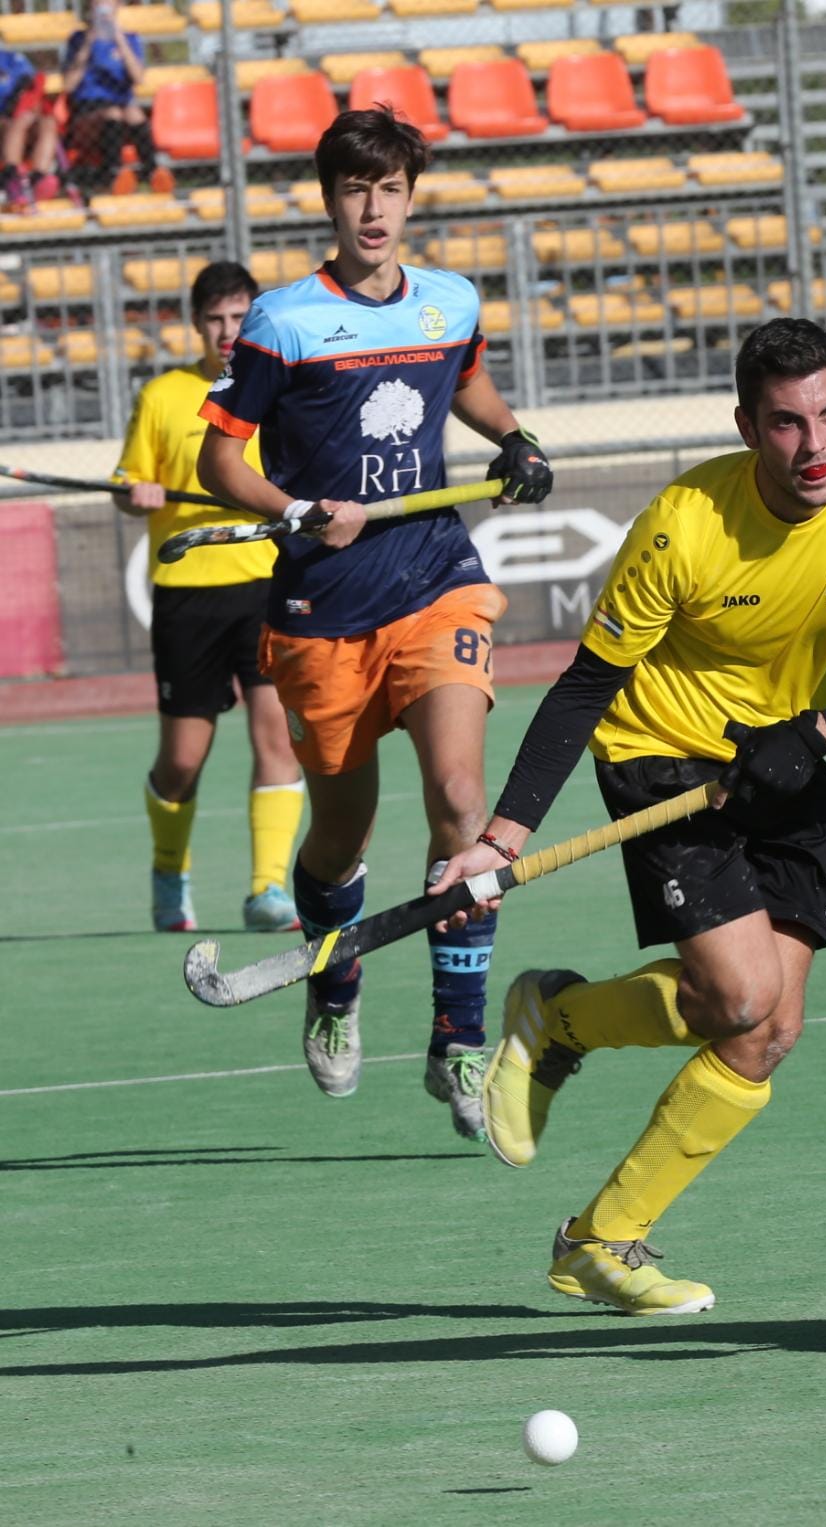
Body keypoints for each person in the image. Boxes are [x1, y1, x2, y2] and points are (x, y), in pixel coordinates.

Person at [431, 318, 826, 1315]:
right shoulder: (686, 524)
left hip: (791, 757)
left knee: (766, 1030)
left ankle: (600, 1232)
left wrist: (814, 738)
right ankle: (556, 1024)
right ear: (745, 426)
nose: (815, 447)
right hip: (663, 754)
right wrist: (501, 836)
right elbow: (586, 687)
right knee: (735, 997)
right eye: (785, 424)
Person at [195, 106, 553, 1140]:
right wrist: (298, 510)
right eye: (355, 190)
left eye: (390, 188)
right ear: (329, 200)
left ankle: (457, 1038)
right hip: (320, 616)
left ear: (409, 194)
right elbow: (222, 461)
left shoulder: (447, 301)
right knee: (342, 836)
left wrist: (514, 438)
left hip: (436, 579)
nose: (373, 209)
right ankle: (336, 983)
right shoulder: (284, 321)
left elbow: (469, 383)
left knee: (457, 797)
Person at [114, 260, 304, 936]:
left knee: (275, 734)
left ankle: (267, 890)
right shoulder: (164, 395)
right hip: (187, 598)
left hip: (263, 584)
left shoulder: (276, 387)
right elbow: (126, 484)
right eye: (215, 320)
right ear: (197, 325)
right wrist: (136, 492)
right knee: (183, 760)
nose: (227, 332)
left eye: (237, 318)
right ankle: (169, 870)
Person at [61, 0, 170, 195]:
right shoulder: (78, 39)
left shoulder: (130, 38)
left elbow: (138, 78)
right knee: (114, 113)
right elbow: (68, 84)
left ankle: (152, 170)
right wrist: (88, 44)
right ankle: (111, 173)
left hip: (122, 106)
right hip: (88, 109)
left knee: (132, 112)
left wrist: (119, 38)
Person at [1, 47, 62, 211]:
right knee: (19, 121)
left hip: (14, 116)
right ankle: (11, 176)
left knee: (47, 122)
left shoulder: (11, 56)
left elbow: (30, 85)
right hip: (6, 121)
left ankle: (38, 178)